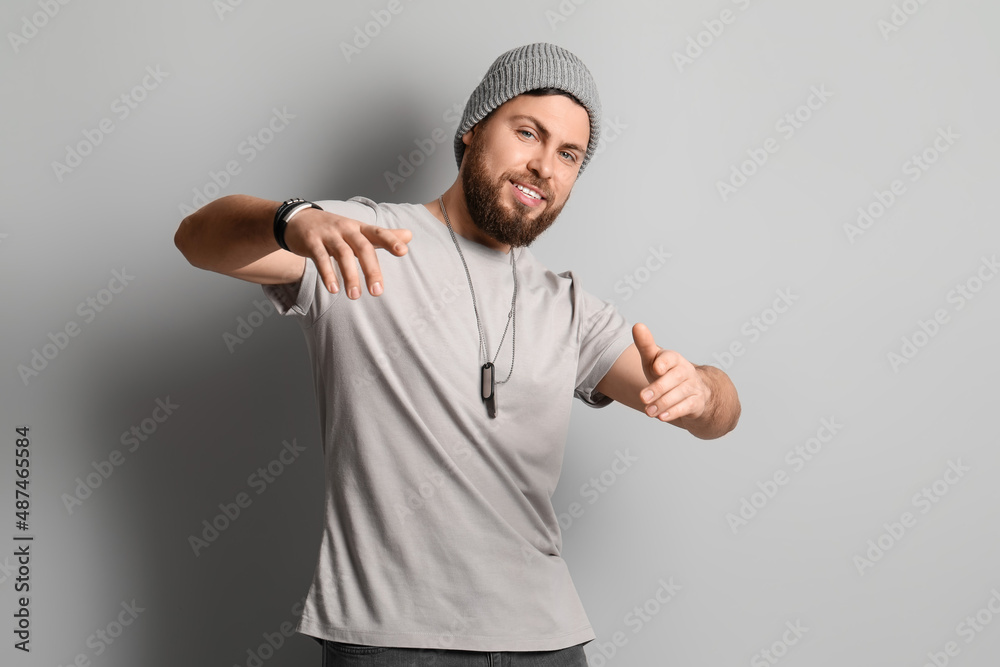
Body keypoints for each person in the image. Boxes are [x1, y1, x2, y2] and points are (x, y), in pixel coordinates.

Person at [174, 42, 740, 667]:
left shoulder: (569, 307)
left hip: (546, 644)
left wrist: (704, 392)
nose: (544, 167)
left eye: (568, 154)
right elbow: (197, 239)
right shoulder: (364, 239)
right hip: (393, 642)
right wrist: (290, 219)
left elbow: (715, 417)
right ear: (474, 130)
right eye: (528, 133)